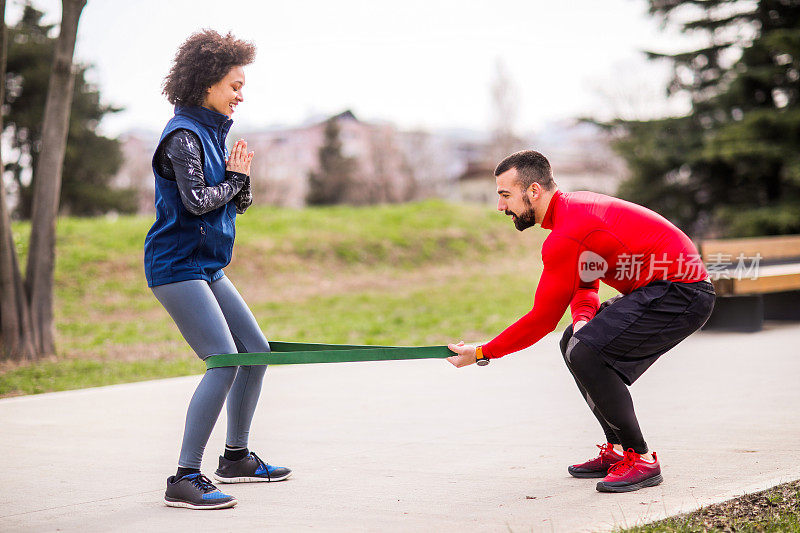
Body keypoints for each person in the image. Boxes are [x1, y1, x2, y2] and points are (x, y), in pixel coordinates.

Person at [446, 150, 715, 493]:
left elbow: (542, 319)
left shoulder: (568, 231)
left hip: (682, 292)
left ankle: (642, 459)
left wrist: (482, 352)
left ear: (533, 192)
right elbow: (586, 284)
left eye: (505, 195)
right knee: (573, 340)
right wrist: (584, 319)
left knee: (585, 352)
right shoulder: (572, 213)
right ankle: (618, 451)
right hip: (665, 289)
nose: (501, 207)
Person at [144, 30, 290, 510]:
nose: (240, 95)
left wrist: (240, 180)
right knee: (224, 359)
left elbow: (234, 202)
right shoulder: (184, 136)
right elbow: (198, 201)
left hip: (208, 265)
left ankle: (236, 457)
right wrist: (234, 180)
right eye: (234, 84)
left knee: (256, 351)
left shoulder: (212, 133)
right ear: (207, 82)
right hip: (176, 265)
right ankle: (185, 477)